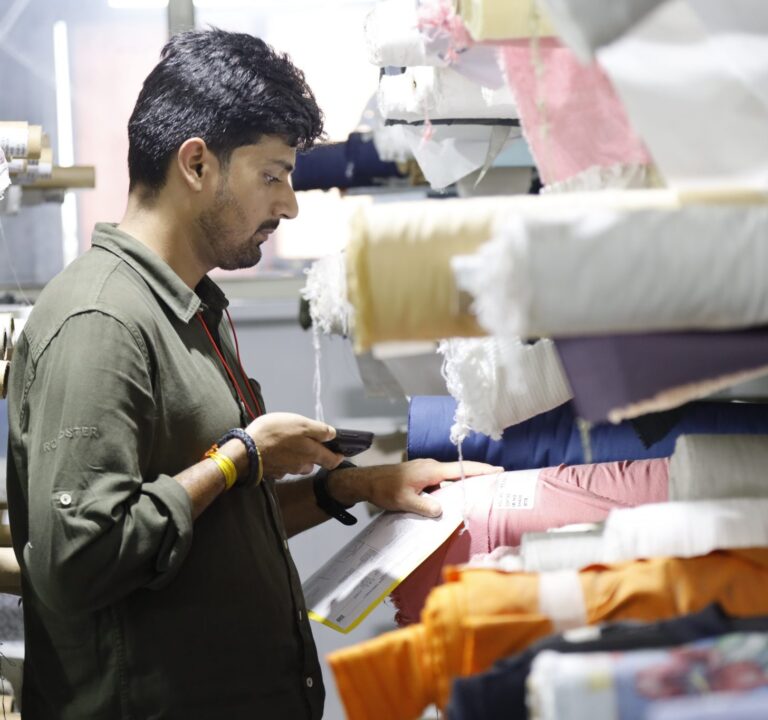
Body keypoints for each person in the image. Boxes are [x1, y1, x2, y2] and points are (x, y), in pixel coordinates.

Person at [5, 28, 498, 719]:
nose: (290, 204)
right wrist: (240, 457)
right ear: (197, 164)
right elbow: (80, 558)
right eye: (272, 175)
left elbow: (206, 531)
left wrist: (354, 486)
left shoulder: (185, 309)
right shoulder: (102, 322)